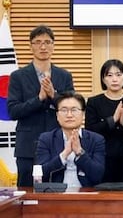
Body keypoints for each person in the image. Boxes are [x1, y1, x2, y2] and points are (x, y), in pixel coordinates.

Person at [7, 25, 74, 186]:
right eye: (38, 42)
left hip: (57, 144)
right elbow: (13, 111)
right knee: (27, 192)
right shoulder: (17, 76)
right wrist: (39, 99)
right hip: (27, 146)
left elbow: (72, 108)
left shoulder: (64, 76)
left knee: (57, 190)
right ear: (30, 46)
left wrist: (53, 95)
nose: (43, 47)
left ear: (53, 45)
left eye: (47, 42)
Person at [85, 59, 123, 182]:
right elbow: (90, 131)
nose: (114, 79)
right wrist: (112, 120)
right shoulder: (94, 102)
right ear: (103, 79)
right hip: (101, 158)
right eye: (109, 75)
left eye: (118, 74)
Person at [35, 92, 105, 187]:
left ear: (83, 114)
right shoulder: (46, 139)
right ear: (57, 115)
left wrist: (80, 153)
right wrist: (64, 154)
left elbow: (98, 175)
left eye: (74, 110)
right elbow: (40, 173)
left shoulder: (96, 139)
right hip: (55, 192)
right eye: (64, 110)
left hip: (86, 192)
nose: (69, 115)